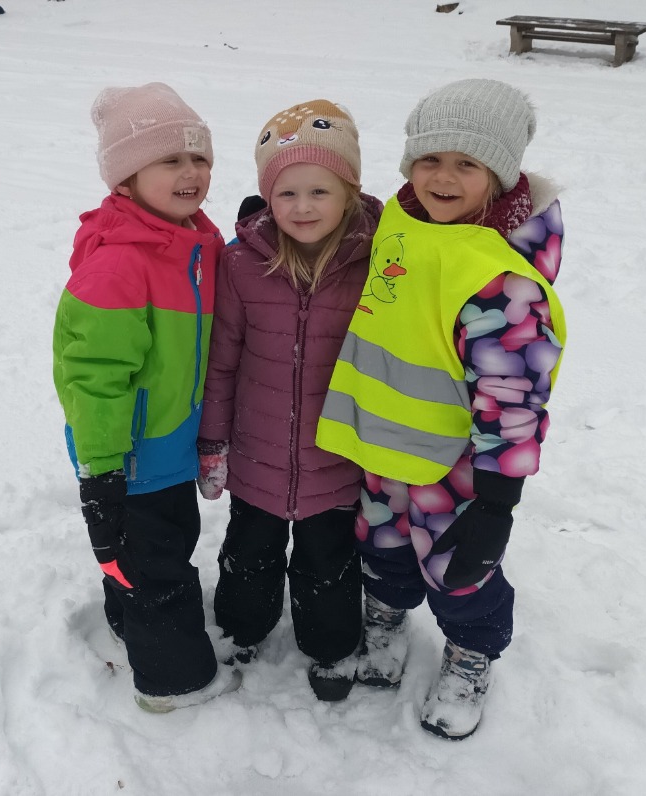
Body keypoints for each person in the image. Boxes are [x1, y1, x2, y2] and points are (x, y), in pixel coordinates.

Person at [316, 78, 567, 738]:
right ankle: (385, 618)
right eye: (429, 159)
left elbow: (513, 395)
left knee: (459, 571)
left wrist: (497, 502)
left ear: (499, 174)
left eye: (467, 164)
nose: (443, 178)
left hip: (455, 465)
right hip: (380, 443)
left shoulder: (501, 280)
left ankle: (470, 654)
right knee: (380, 545)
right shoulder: (399, 219)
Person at [52, 82, 239, 713]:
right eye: (169, 160)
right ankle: (174, 682)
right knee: (159, 569)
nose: (191, 173)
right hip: (129, 454)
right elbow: (94, 378)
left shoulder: (190, 243)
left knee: (144, 554)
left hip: (166, 447)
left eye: (199, 158)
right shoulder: (121, 264)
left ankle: (124, 624)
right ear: (126, 179)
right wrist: (103, 469)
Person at [196, 100, 382, 702]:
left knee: (329, 561)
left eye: (319, 191)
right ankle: (241, 629)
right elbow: (222, 361)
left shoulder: (377, 265)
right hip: (257, 454)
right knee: (248, 553)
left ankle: (331, 647)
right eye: (287, 194)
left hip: (337, 454)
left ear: (350, 192)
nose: (303, 207)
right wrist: (214, 440)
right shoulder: (240, 264)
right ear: (267, 198)